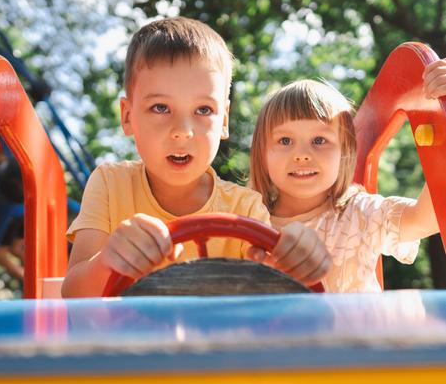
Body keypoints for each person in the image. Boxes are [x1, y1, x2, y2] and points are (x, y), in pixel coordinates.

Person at [62, 17, 330, 297]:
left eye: (203, 110)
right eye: (161, 108)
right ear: (128, 116)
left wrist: (295, 262)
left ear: (223, 120)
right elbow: (73, 294)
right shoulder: (109, 184)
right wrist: (108, 259)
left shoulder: (246, 208)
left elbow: (270, 304)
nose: (182, 131)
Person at [248, 64, 445, 293]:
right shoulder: (249, 223)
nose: (301, 155)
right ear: (262, 153)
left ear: (345, 152)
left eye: (319, 140)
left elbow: (424, 220)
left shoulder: (360, 214)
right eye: (285, 141)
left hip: (358, 330)